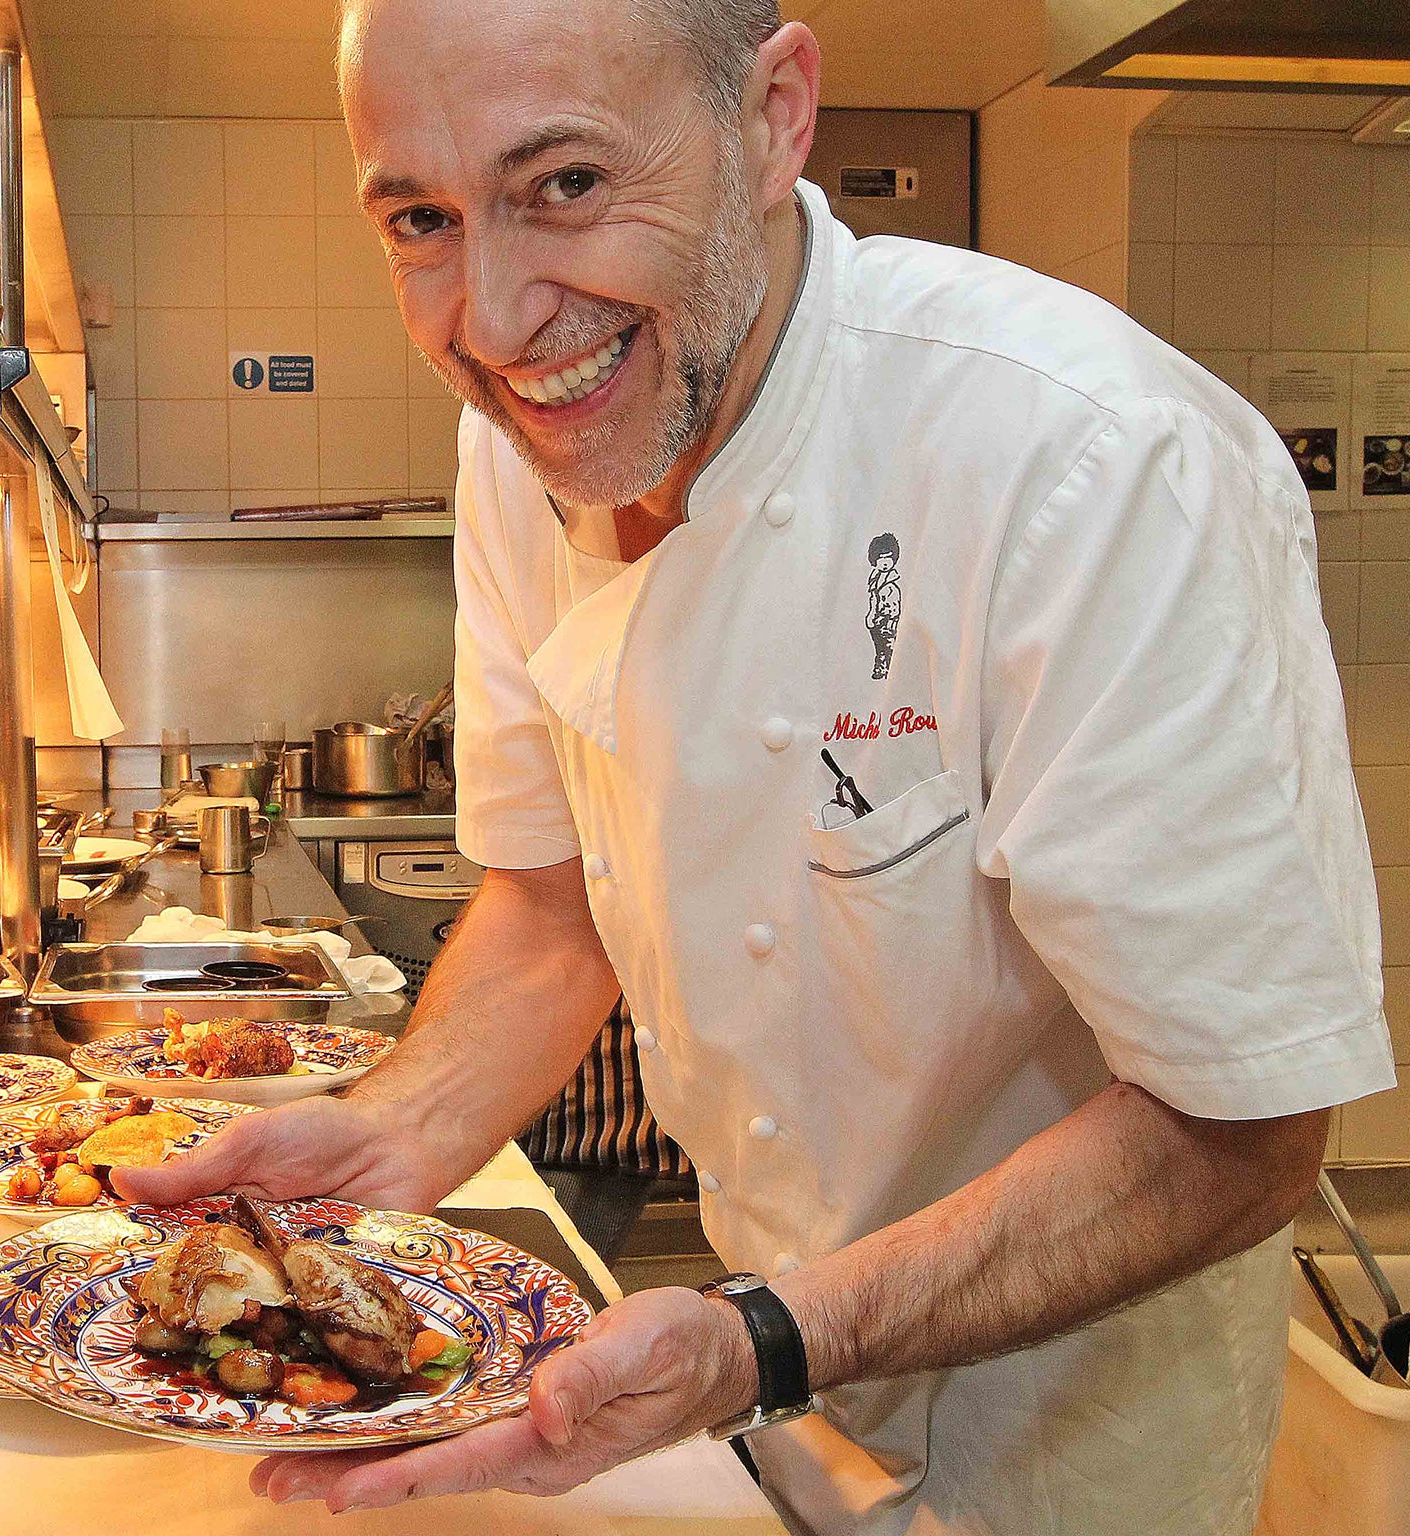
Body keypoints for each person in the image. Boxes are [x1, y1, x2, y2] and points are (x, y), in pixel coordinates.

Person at [119, 0, 1395, 1529]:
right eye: (421, 219)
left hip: (1070, 1413)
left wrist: (770, 1339)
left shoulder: (1089, 456)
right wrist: (397, 1127)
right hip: (763, 1360)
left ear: (775, 113)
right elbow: (550, 908)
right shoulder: (519, 448)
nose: (496, 321)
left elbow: (1239, 1130)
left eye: (569, 187)